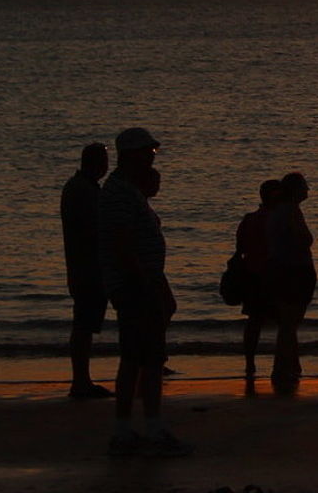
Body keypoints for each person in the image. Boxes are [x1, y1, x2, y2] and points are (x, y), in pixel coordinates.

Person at [98, 127, 187, 457]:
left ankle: (130, 430)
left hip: (140, 284)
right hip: (135, 287)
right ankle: (149, 429)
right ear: (131, 155)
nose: (152, 159)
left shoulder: (127, 191)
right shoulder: (120, 193)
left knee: (138, 358)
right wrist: (146, 282)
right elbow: (122, 244)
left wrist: (158, 283)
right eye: (148, 153)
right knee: (147, 359)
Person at [61, 142, 113, 399]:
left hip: (84, 266)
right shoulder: (83, 190)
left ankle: (81, 379)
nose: (106, 166)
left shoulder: (80, 187)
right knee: (83, 324)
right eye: (104, 161)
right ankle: (80, 381)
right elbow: (95, 230)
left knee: (84, 323)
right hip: (88, 268)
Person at [266, 171, 316, 385]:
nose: (308, 190)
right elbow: (303, 240)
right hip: (293, 271)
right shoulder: (290, 211)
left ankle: (290, 365)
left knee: (289, 323)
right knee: (289, 323)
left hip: (283, 269)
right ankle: (282, 368)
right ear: (295, 190)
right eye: (304, 186)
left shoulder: (279, 211)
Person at [233, 179, 281, 378]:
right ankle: (281, 363)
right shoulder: (277, 219)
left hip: (252, 274)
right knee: (284, 322)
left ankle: (250, 363)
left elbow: (240, 247)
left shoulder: (249, 218)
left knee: (254, 321)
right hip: (273, 275)